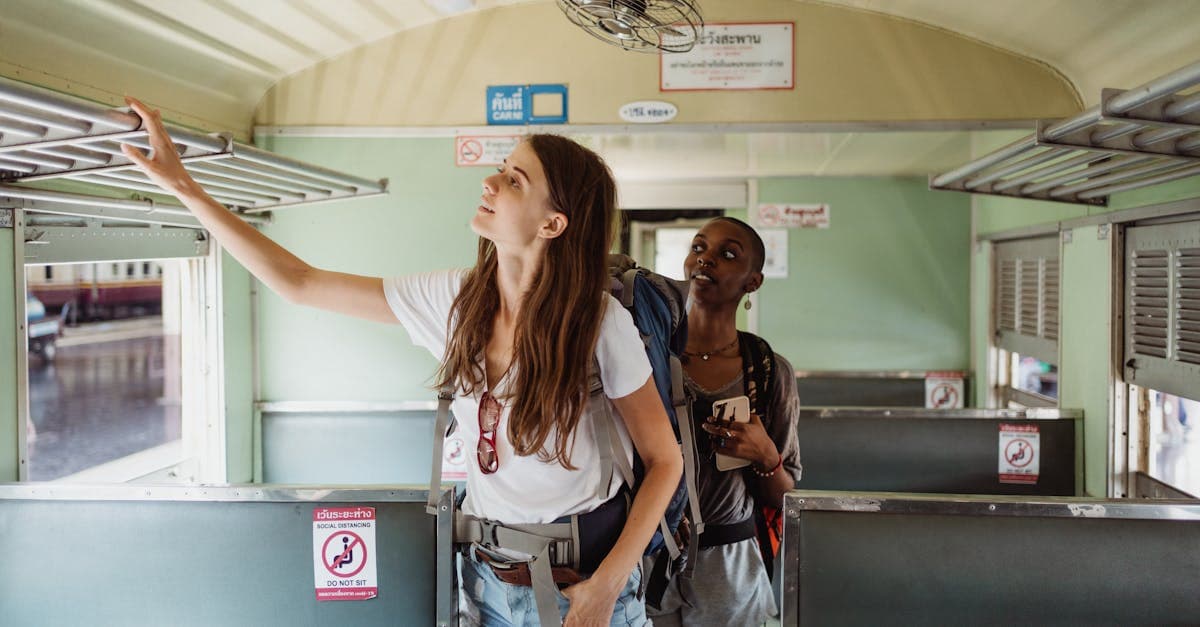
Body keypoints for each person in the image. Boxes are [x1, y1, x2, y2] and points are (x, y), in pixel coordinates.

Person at [120, 97, 683, 626]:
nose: (489, 181)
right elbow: (300, 282)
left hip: (580, 586)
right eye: (501, 168)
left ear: (552, 224)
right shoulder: (454, 301)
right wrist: (183, 187)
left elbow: (664, 462)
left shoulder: (599, 323)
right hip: (484, 580)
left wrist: (607, 588)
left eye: (515, 179)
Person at [645, 217, 801, 626]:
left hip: (730, 561)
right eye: (699, 248)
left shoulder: (767, 371)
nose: (706, 259)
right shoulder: (647, 359)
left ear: (753, 282)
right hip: (650, 552)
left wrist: (766, 455)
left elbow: (783, 497)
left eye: (727, 254)